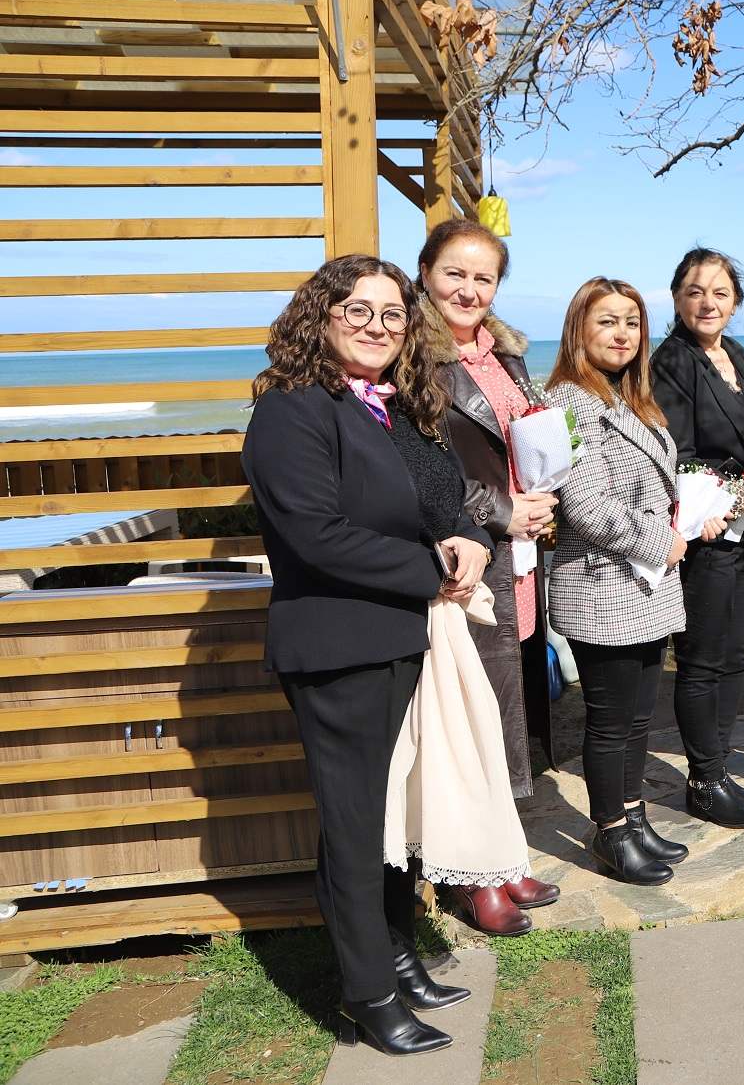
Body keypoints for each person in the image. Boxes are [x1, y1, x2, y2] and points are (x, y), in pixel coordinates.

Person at [243, 255, 490, 1056]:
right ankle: (369, 996)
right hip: (338, 647)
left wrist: (470, 543)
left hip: (399, 638)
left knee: (390, 818)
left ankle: (396, 951)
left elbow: (441, 500)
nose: (377, 328)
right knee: (354, 826)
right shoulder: (291, 411)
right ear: (321, 316)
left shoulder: (391, 406)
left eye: (391, 315)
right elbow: (314, 534)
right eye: (358, 311)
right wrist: (430, 572)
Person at [414, 218, 561, 931]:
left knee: (508, 709)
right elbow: (424, 471)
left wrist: (543, 492)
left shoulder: (504, 354)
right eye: (455, 273)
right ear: (425, 272)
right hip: (468, 556)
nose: (469, 289)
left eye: (484, 277)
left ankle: (505, 856)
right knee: (472, 716)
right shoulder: (415, 359)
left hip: (520, 559)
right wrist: (504, 510)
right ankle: (476, 877)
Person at [545, 278, 690, 887]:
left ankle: (633, 818)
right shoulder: (567, 402)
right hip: (602, 584)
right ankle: (609, 833)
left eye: (631, 322)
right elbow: (587, 508)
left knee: (636, 719)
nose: (622, 333)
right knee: (608, 721)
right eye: (607, 321)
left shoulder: (633, 400)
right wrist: (667, 541)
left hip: (647, 586)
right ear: (580, 327)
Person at [651, 248, 744, 828]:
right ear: (677, 298)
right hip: (703, 529)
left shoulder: (740, 356)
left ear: (736, 303)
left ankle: (719, 768)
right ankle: (702, 779)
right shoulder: (672, 362)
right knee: (701, 660)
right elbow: (675, 453)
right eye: (696, 291)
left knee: (734, 654)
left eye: (721, 293)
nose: (708, 302)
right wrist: (731, 499)